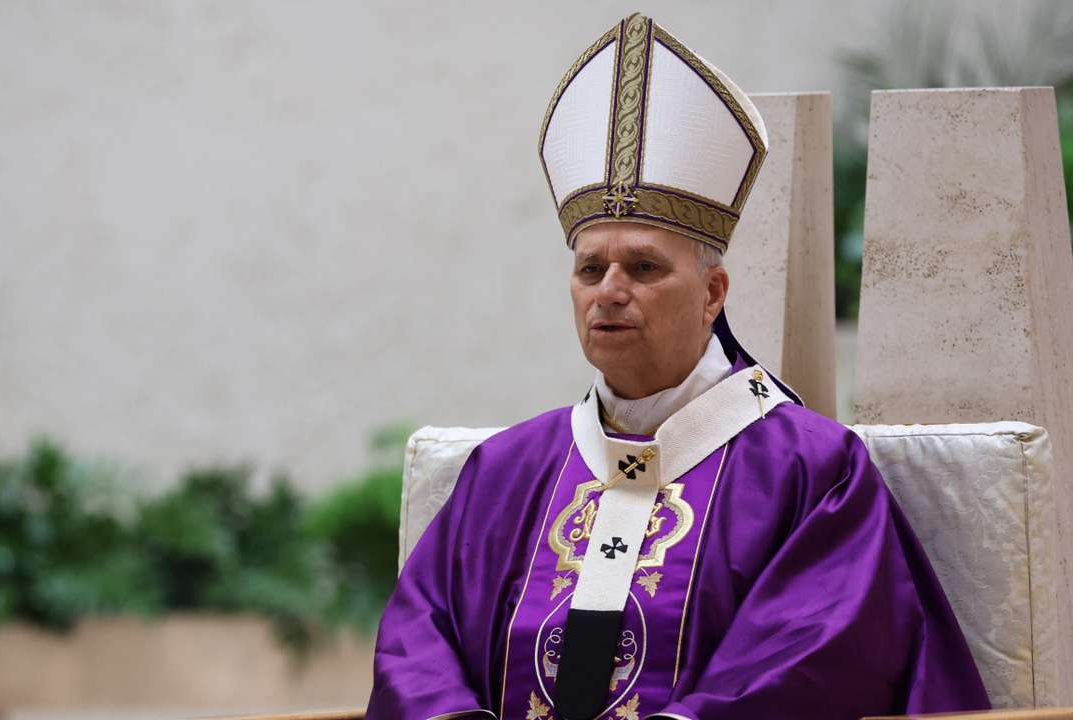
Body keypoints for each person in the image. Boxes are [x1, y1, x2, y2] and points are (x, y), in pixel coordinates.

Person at [366, 13, 990, 720]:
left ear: (713, 294)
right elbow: (416, 645)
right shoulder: (505, 473)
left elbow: (817, 660)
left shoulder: (811, 473)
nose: (609, 291)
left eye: (643, 267)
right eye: (590, 268)